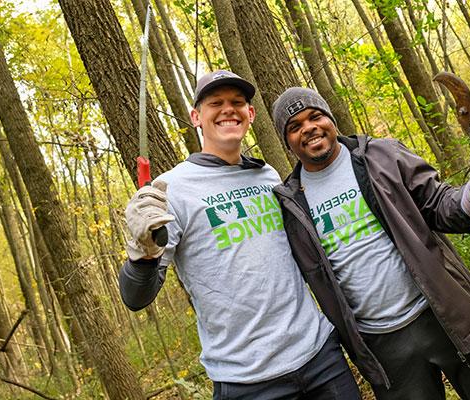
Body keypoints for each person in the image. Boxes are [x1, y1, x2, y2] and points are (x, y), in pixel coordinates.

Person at [271, 87, 470, 400]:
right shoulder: (290, 204)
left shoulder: (381, 155)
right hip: (384, 346)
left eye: (315, 116)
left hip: (445, 312)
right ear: (287, 140)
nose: (309, 128)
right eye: (295, 126)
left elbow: (439, 204)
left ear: (329, 119)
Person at [119, 71, 361, 400]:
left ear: (251, 114)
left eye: (237, 103)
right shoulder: (171, 190)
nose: (228, 110)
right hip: (247, 382)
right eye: (215, 103)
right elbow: (136, 298)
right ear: (196, 117)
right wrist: (143, 255)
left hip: (321, 358)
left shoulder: (267, 175)